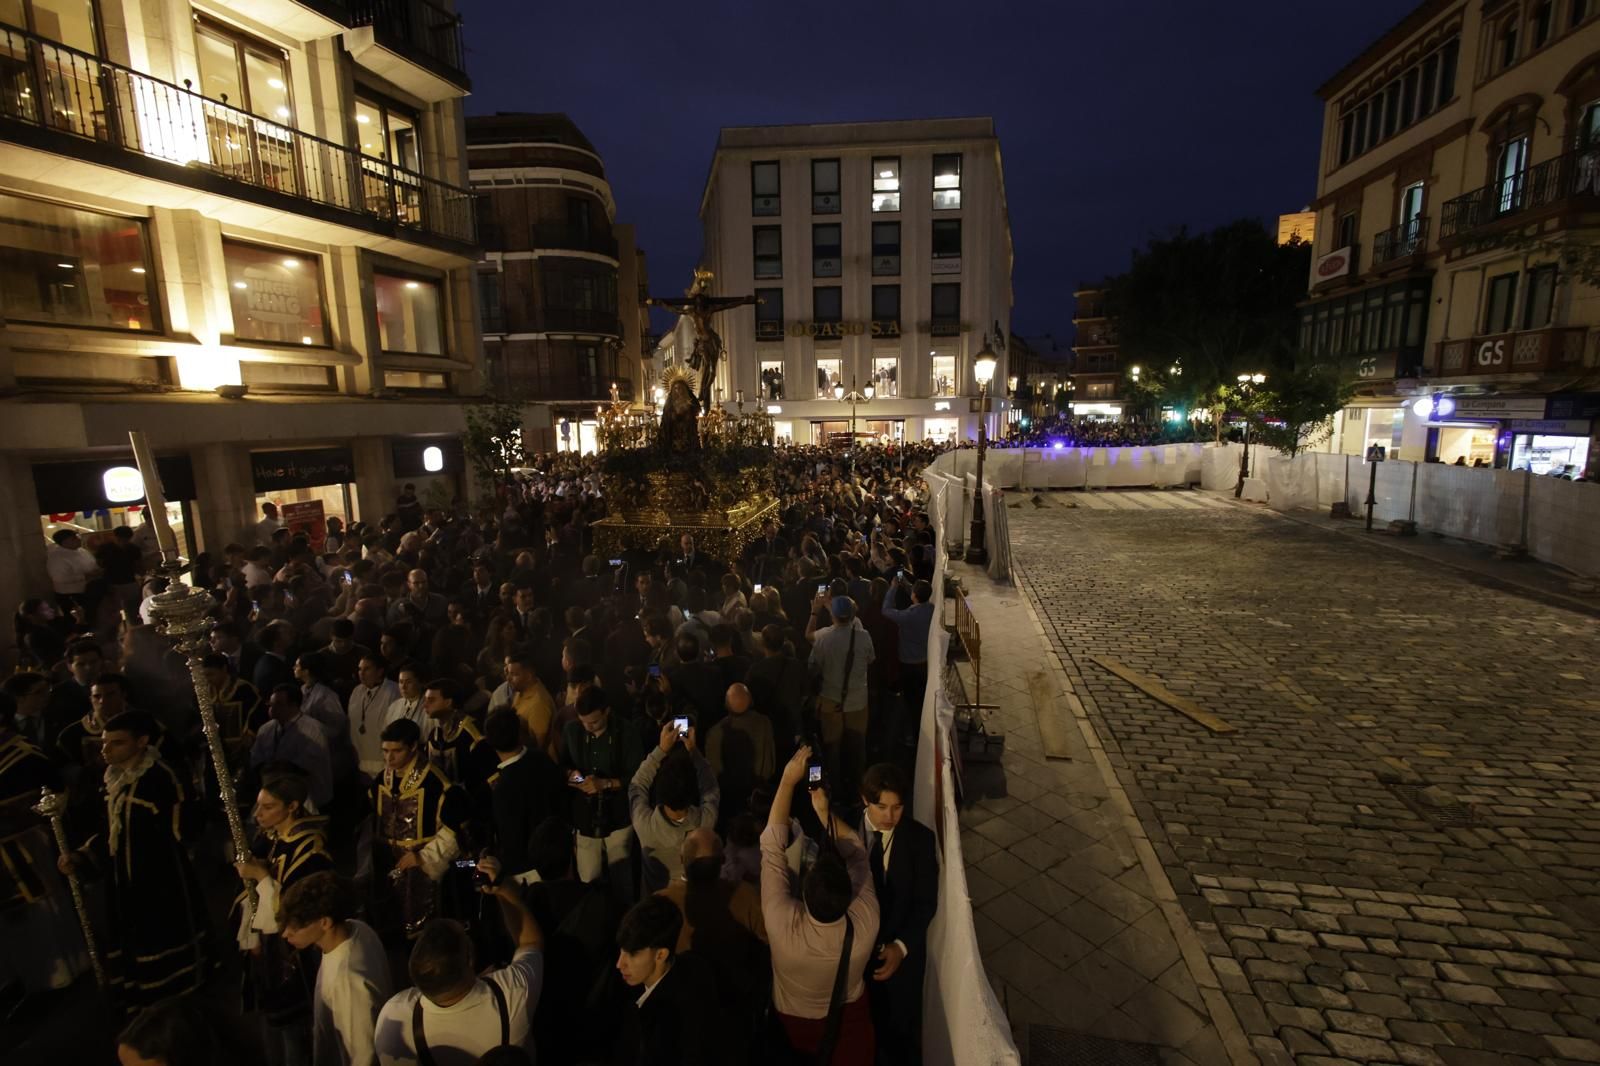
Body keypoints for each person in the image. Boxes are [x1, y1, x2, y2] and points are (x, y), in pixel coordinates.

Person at [56, 710, 212, 1007]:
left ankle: (175, 991)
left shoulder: (160, 776)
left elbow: (186, 825)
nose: (106, 750)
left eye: (117, 743)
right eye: (104, 743)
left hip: (159, 877)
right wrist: (81, 855)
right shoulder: (113, 778)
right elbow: (110, 829)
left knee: (160, 932)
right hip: (123, 876)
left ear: (141, 742)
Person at [761, 746, 878, 1065]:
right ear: (847, 895)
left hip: (791, 1026)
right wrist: (825, 813)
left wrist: (787, 782)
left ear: (804, 897)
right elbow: (857, 852)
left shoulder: (781, 922)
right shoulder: (866, 922)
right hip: (847, 1029)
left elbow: (772, 849)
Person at [372, 855, 544, 1065]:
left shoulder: (394, 1020)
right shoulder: (513, 992)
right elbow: (531, 943)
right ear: (470, 959)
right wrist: (504, 890)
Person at [233, 770, 333, 1066]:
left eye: (268, 807)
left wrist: (262, 876)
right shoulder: (271, 838)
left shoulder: (310, 849)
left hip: (293, 954)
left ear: (292, 807)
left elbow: (297, 905)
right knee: (270, 1022)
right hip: (268, 952)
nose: (258, 814)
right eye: (258, 806)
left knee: (293, 1028)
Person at [859, 762, 939, 1066]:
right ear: (865, 800)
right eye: (881, 807)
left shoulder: (921, 840)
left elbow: (925, 903)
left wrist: (901, 947)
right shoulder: (842, 834)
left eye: (897, 807)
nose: (890, 816)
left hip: (900, 968)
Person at [368, 718, 470, 943]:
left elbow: (456, 832)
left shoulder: (436, 783)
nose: (389, 758)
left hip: (424, 872)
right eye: (385, 751)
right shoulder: (381, 781)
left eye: (396, 751)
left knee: (425, 935)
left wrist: (424, 857)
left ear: (414, 747)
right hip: (390, 867)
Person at [281, 871, 393, 1066]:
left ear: (325, 922)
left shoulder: (347, 981)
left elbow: (363, 1054)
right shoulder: (357, 927)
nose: (285, 934)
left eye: (295, 927)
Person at [610, 894, 729, 1066]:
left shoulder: (665, 1025)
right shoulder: (695, 964)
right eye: (621, 950)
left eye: (632, 954)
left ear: (660, 954)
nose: (619, 964)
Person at [563, 687, 643, 899]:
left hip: (618, 814)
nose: (588, 727)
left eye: (594, 722)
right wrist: (579, 780)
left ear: (607, 711)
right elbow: (565, 765)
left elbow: (638, 776)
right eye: (584, 722)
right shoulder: (572, 731)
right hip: (585, 817)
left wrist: (606, 784)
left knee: (622, 877)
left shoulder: (627, 732)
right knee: (589, 877)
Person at [629, 722, 720, 894]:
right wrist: (694, 751)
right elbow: (711, 788)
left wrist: (661, 750)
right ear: (693, 793)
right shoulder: (705, 823)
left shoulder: (645, 825)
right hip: (691, 902)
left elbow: (637, 786)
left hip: (654, 903)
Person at [482, 708, 561, 881]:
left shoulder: (504, 786)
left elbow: (511, 837)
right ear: (519, 733)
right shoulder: (542, 758)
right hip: (558, 857)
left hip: (526, 869)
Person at [808, 596, 875, 799]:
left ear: (833, 615)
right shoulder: (864, 637)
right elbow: (870, 659)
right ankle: (859, 789)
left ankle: (835, 791)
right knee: (858, 746)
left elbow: (812, 668)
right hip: (857, 701)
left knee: (832, 748)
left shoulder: (824, 639)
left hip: (830, 702)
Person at [704, 682, 775, 822]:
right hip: (758, 796)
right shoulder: (764, 723)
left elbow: (713, 772)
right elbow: (770, 765)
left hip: (729, 800)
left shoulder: (715, 733)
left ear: (725, 705)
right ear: (751, 701)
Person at [880, 576, 935, 749]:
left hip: (909, 664)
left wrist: (893, 588)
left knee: (910, 702)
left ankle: (913, 736)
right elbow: (921, 593)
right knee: (920, 698)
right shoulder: (931, 609)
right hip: (924, 661)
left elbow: (886, 610)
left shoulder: (908, 616)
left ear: (914, 595)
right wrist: (908, 585)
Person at [347, 655, 401, 776]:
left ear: (380, 671)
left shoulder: (393, 691)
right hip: (360, 760)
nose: (361, 673)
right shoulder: (357, 691)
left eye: (367, 669)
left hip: (384, 762)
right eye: (360, 669)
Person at [45, 528, 98, 610]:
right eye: (74, 538)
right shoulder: (56, 557)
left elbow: (93, 563)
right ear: (64, 542)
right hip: (71, 595)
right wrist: (84, 576)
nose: (78, 539)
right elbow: (59, 578)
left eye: (77, 537)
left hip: (88, 590)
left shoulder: (82, 551)